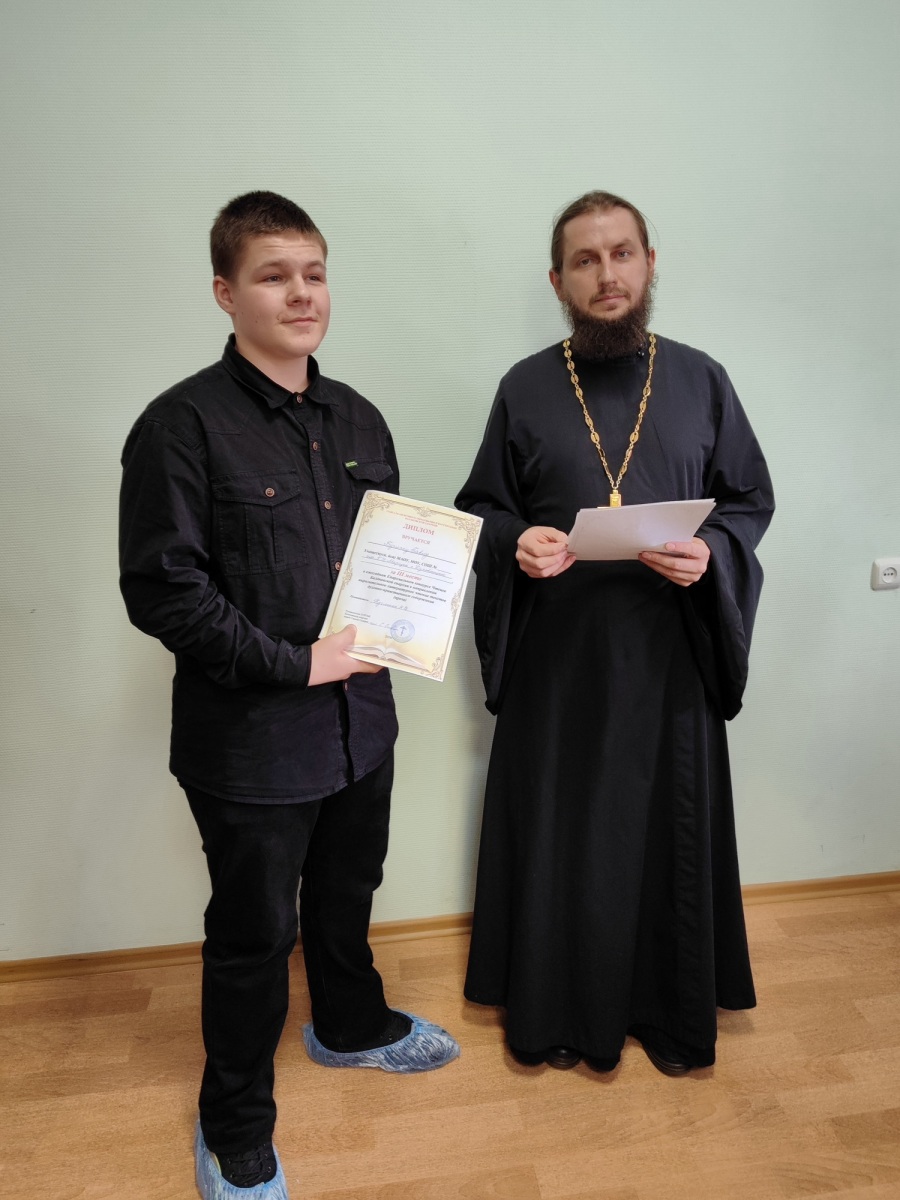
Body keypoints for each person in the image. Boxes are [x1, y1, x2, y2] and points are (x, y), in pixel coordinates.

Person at [119, 191, 458, 1200]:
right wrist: (295, 663)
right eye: (274, 275)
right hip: (253, 743)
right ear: (226, 293)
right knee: (254, 934)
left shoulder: (358, 417)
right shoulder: (181, 425)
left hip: (362, 726)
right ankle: (233, 1123)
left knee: (348, 891)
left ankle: (348, 1025)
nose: (301, 293)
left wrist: (416, 606)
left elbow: (387, 557)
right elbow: (162, 591)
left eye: (314, 273)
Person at [456, 191, 774, 1077]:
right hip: (559, 663)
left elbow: (748, 500)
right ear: (557, 280)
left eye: (622, 253)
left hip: (669, 659)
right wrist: (516, 540)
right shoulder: (525, 386)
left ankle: (669, 1015)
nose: (607, 275)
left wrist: (711, 552)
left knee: (665, 836)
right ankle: (559, 1015)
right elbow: (481, 510)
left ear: (649, 263)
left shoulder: (702, 379)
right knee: (566, 837)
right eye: (586, 260)